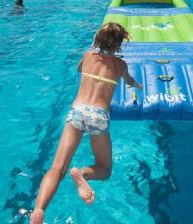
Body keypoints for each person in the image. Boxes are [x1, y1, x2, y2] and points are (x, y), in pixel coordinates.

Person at [30, 23, 142, 224]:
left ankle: (38, 210)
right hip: (98, 116)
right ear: (119, 44)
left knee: (57, 167)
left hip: (78, 111)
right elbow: (128, 80)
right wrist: (135, 84)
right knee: (105, 169)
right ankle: (81, 174)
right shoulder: (120, 66)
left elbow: (79, 68)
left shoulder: (88, 56)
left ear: (98, 39)